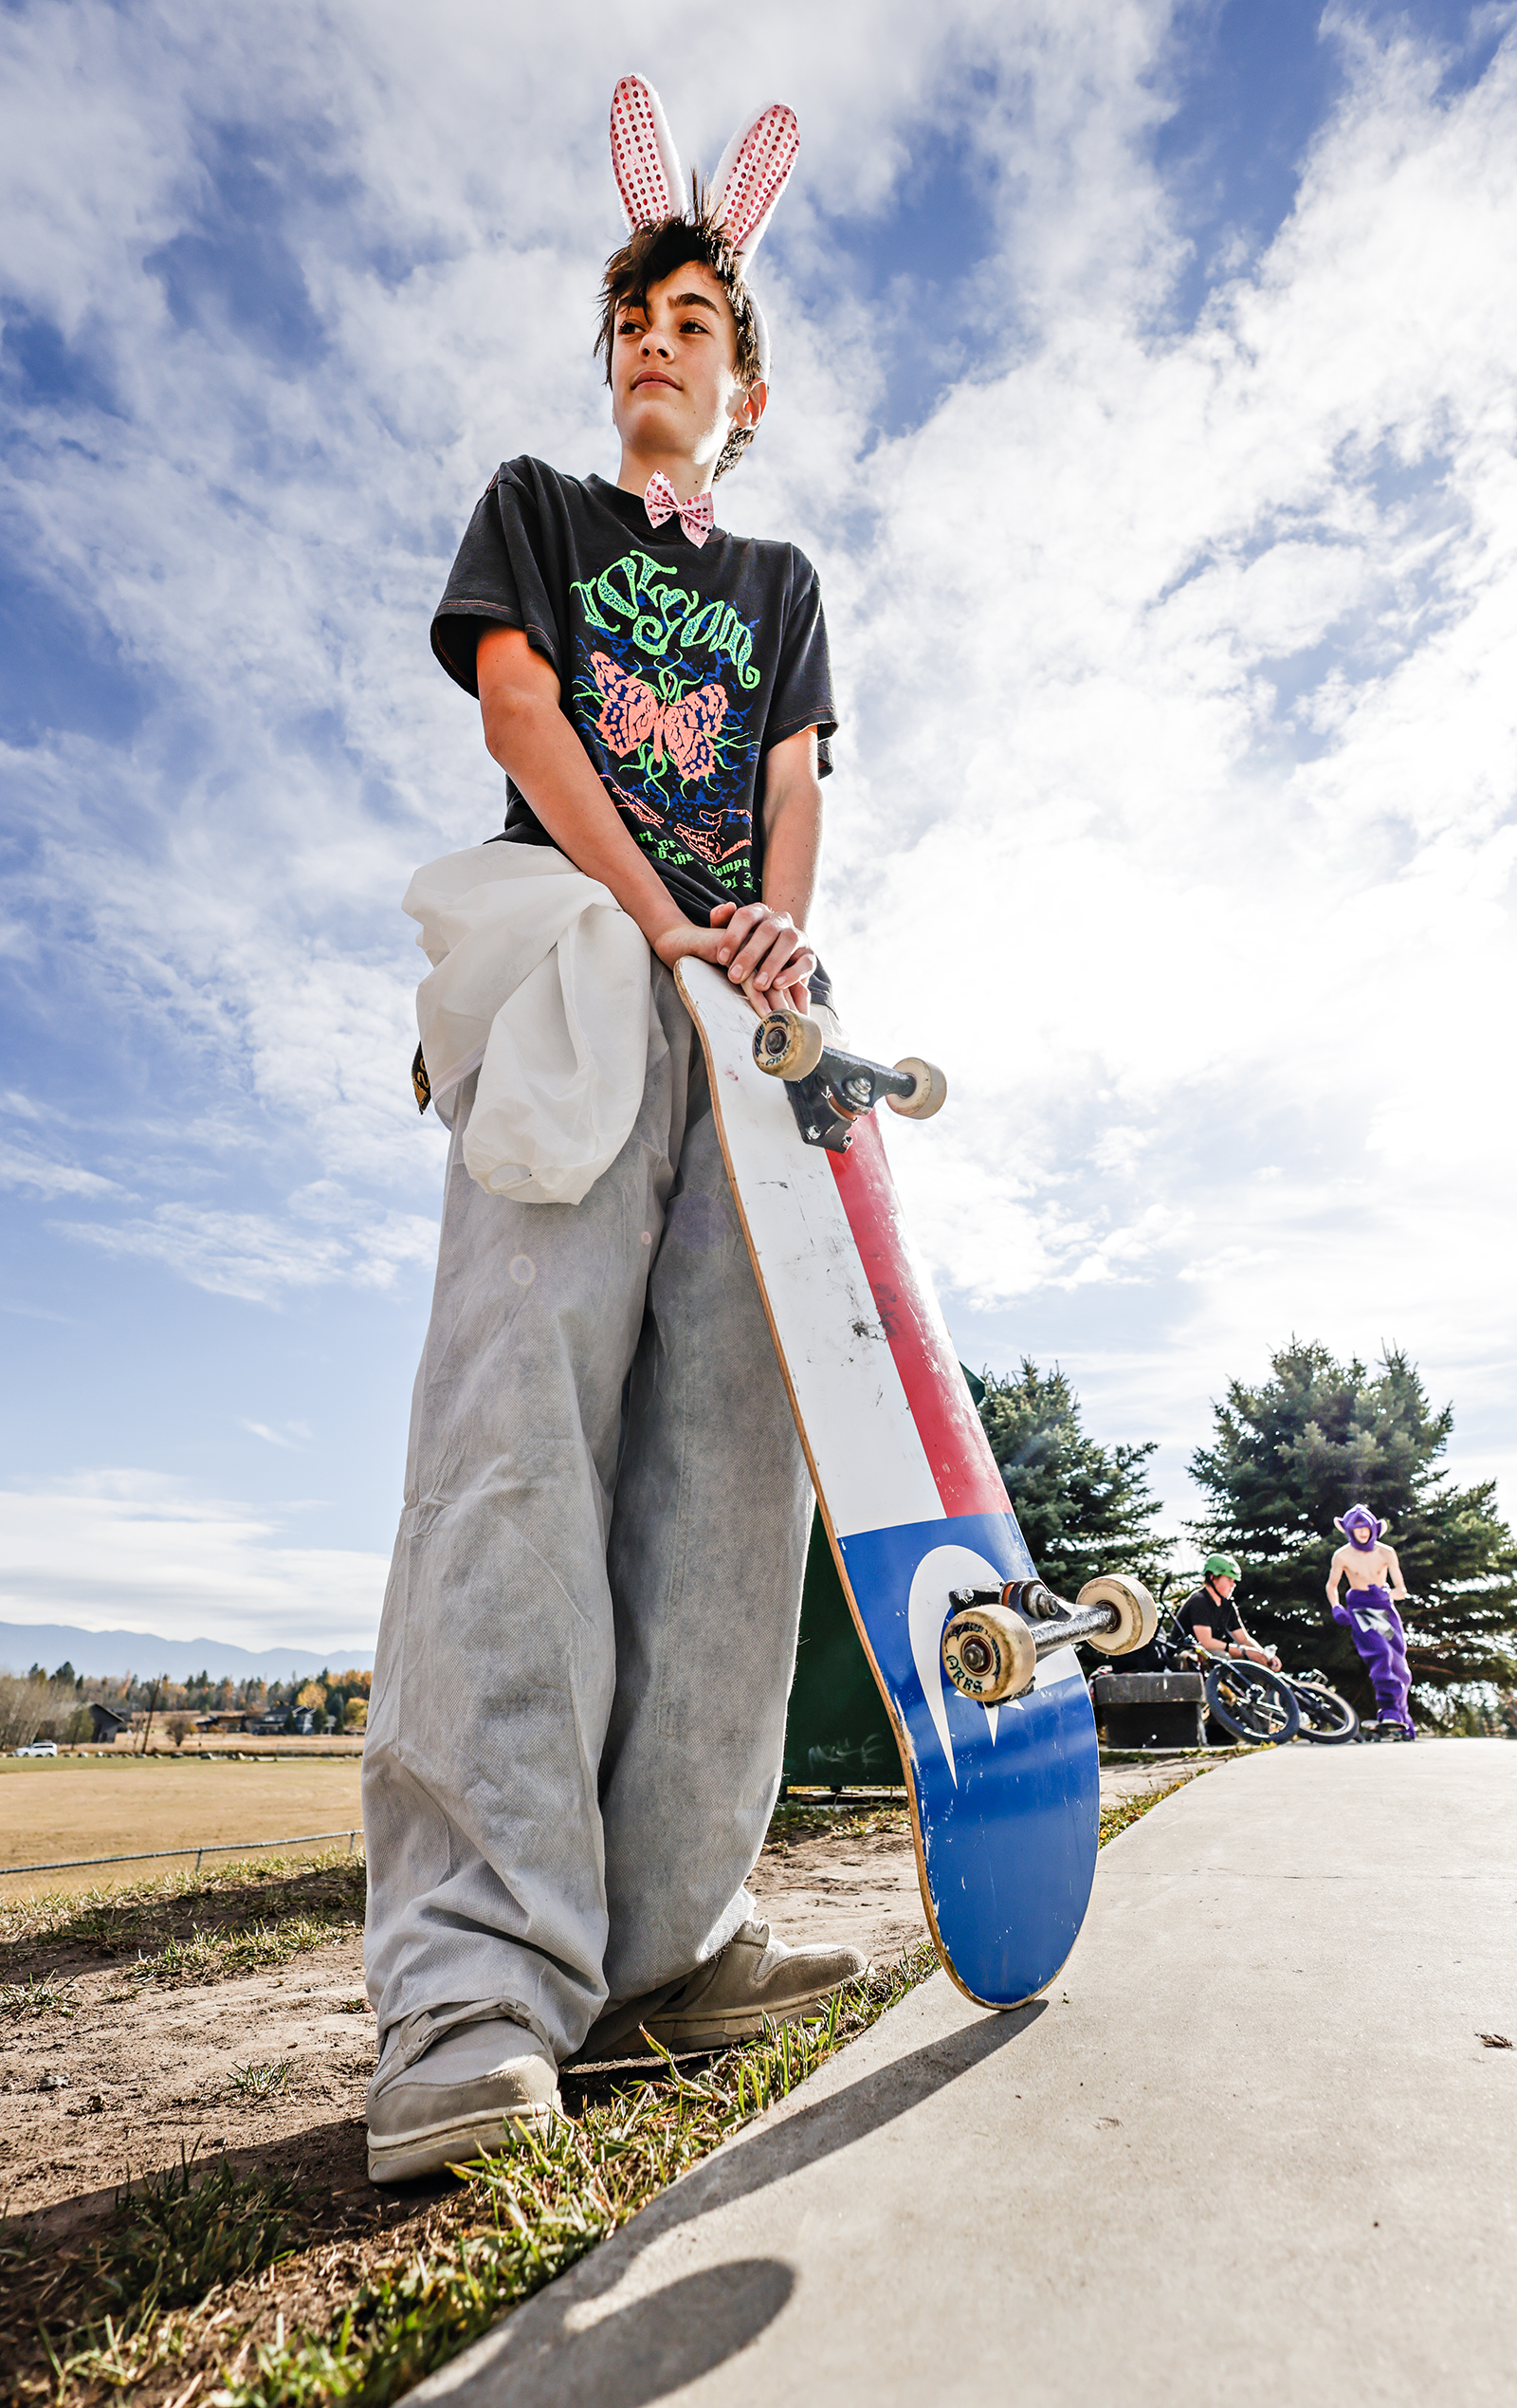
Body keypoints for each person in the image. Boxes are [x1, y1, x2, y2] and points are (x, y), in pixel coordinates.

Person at [360, 79, 868, 2186]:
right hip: (578, 957)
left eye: (695, 327)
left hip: (732, 1011)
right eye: (635, 321)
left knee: (730, 1464)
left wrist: (763, 942)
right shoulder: (539, 513)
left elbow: (789, 788)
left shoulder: (777, 576)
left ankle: (670, 1937)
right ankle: (478, 1977)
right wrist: (659, 920)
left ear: (741, 386)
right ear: (612, 361)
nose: (658, 345)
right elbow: (517, 712)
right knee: (522, 1428)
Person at [1325, 1506, 1415, 1739]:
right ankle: (1388, 1709)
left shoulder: (1386, 1553)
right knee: (1381, 1654)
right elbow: (1332, 1585)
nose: (1362, 1533)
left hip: (1384, 1608)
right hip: (1361, 1609)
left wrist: (1386, 1594)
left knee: (1398, 1666)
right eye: (1357, 1529)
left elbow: (1401, 1590)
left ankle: (1402, 1718)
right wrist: (1336, 1607)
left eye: (1366, 1528)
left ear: (1374, 1528)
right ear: (1349, 1531)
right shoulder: (1342, 1555)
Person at [1174, 1554, 1281, 1668]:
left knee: (1256, 1664)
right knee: (1222, 1659)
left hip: (1207, 1653)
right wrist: (1242, 1650)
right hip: (1184, 1655)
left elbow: (1244, 1639)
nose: (1233, 1585)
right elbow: (1206, 1642)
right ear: (1212, 1578)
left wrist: (1264, 1656)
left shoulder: (1228, 1605)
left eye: (1234, 1581)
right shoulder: (1199, 1601)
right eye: (1229, 1579)